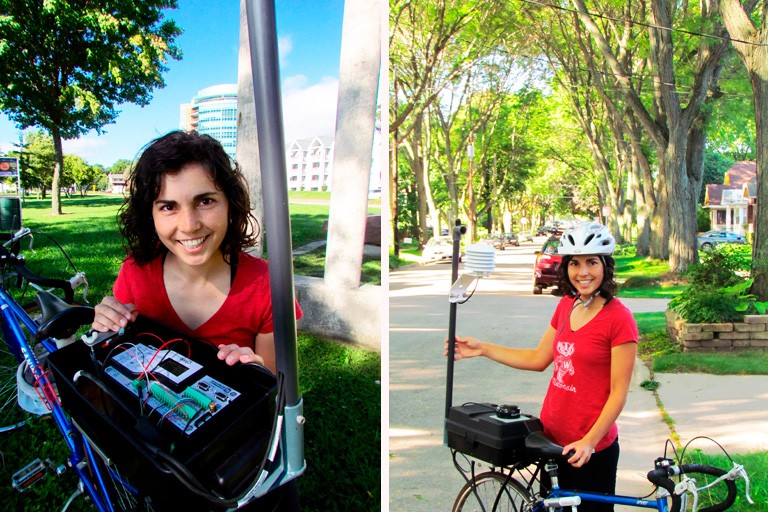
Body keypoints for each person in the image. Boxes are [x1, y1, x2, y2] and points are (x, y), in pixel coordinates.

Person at [91, 130, 301, 510]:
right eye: (168, 206)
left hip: (237, 451)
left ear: (230, 203)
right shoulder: (136, 274)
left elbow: (279, 391)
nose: (189, 225)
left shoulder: (266, 284)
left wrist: (256, 372)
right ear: (149, 214)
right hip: (160, 440)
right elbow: (114, 355)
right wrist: (105, 324)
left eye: (204, 201)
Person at [449, 221, 637, 511]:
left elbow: (618, 393)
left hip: (589, 450)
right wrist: (484, 349)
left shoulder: (619, 319)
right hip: (551, 441)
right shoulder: (566, 305)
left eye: (592, 262)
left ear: (606, 266)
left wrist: (589, 441)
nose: (583, 272)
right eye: (574, 263)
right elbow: (538, 359)